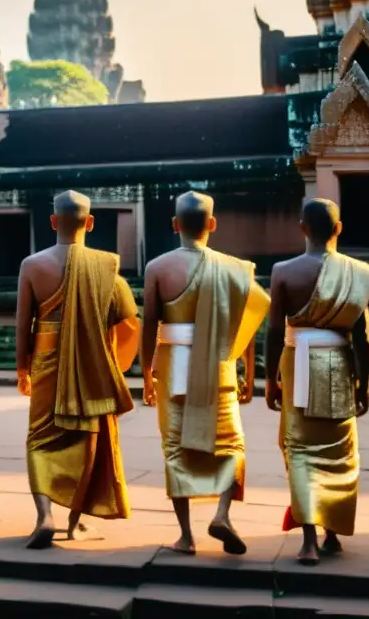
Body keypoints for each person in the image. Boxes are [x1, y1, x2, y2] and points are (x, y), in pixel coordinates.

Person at [141, 192, 270, 556]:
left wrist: (147, 373)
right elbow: (244, 328)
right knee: (231, 444)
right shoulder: (237, 268)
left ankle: (186, 536)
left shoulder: (157, 268)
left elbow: (149, 325)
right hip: (220, 365)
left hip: (173, 364)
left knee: (175, 449)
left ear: (175, 225)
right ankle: (223, 513)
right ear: (212, 224)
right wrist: (248, 372)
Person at [15, 190, 141, 549]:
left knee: (40, 437)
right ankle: (73, 522)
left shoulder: (32, 265)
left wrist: (22, 369)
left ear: (53, 221)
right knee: (86, 438)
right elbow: (131, 322)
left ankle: (44, 516)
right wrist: (113, 363)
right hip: (90, 363)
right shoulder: (106, 268)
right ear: (90, 222)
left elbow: (23, 323)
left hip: (45, 360)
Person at [266, 198, 369, 566]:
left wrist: (269, 379)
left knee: (300, 450)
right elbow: (362, 336)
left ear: (302, 227)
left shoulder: (283, 271)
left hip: (296, 364)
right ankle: (331, 533)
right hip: (341, 366)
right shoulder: (357, 272)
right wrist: (364, 382)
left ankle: (309, 541)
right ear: (338, 229)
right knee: (338, 451)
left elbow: (272, 331)